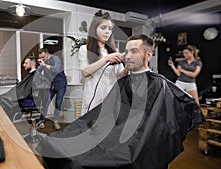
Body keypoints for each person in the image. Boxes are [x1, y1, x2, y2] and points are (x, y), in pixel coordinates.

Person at [37, 35, 204, 169]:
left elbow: (160, 123)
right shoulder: (124, 81)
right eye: (126, 51)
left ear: (148, 54)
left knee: (80, 161)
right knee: (55, 143)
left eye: (133, 51)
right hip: (110, 133)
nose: (128, 55)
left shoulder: (158, 84)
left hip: (134, 143)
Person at [78, 10, 128, 115]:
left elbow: (120, 75)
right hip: (93, 99)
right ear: (94, 29)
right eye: (103, 28)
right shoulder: (85, 49)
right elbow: (85, 72)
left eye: (110, 29)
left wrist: (129, 66)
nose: (107, 32)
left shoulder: (114, 51)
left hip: (111, 98)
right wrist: (106, 59)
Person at [0, 55, 38, 121]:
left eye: (26, 63)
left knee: (4, 101)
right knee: (1, 98)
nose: (24, 65)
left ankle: (7, 124)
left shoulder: (35, 76)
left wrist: (14, 96)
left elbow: (27, 91)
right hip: (23, 97)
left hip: (28, 100)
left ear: (32, 64)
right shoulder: (31, 75)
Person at [36, 48, 67, 130]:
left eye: (43, 57)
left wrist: (44, 65)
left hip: (61, 84)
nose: (42, 59)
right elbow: (37, 72)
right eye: (41, 58)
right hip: (51, 85)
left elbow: (56, 69)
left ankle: (56, 121)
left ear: (47, 53)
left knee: (58, 103)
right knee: (46, 102)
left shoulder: (55, 58)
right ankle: (41, 121)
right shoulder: (44, 62)